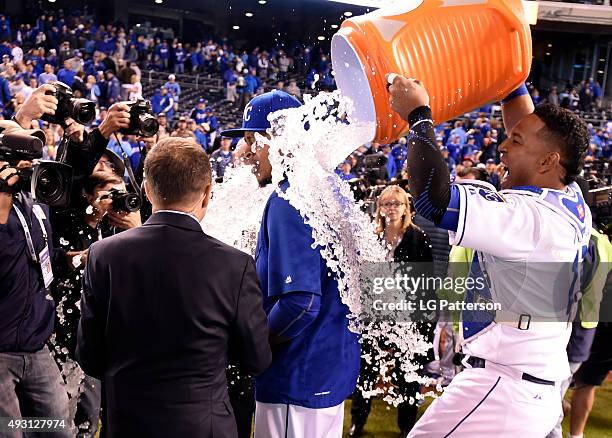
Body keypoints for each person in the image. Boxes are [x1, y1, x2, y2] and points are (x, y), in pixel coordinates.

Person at [387, 74, 591, 437]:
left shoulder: (530, 218)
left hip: (504, 388)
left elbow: (432, 200)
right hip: (535, 385)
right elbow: (530, 129)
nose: (502, 146)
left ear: (548, 161)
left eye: (514, 141)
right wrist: (512, 80)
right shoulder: (569, 193)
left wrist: (418, 115)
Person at [76, 137, 272, 437]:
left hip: (128, 424)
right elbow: (257, 358)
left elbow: (90, 356)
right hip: (203, 425)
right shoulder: (236, 265)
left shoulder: (104, 255)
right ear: (208, 193)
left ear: (146, 189)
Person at [221, 90, 360, 438]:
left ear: (279, 139)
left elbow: (300, 303)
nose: (244, 152)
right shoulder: (329, 186)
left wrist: (254, 348)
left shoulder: (288, 198)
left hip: (295, 378)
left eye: (253, 140)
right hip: (326, 367)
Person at [0, 122, 71, 438]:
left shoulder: (34, 202)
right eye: (17, 159)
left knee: (55, 429)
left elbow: (44, 258)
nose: (25, 167)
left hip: (36, 345)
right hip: (0, 350)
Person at [349, 185, 433, 437]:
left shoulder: (418, 237)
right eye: (386, 204)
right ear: (379, 208)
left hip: (408, 318)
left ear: (406, 208)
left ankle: (407, 427)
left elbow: (426, 285)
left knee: (408, 376)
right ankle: (358, 422)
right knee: (366, 372)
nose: (391, 208)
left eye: (397, 204)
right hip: (374, 315)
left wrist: (423, 326)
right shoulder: (370, 237)